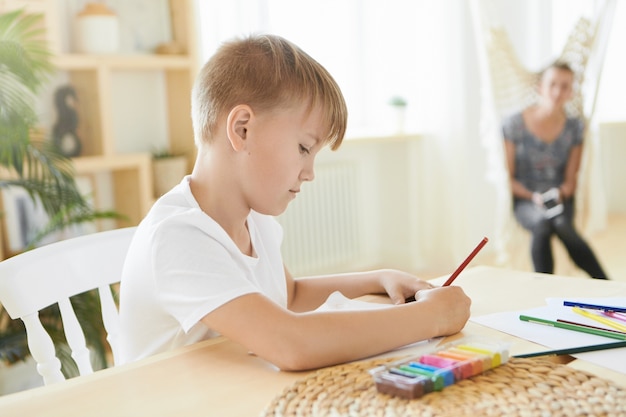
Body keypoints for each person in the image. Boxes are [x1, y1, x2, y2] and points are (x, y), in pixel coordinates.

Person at [118, 34, 471, 371]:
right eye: (303, 148)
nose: (310, 173)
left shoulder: (253, 221)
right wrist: (430, 318)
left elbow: (290, 294)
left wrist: (378, 278)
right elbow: (291, 343)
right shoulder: (178, 236)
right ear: (242, 129)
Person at [502, 60, 608, 279]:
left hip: (560, 199)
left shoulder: (575, 127)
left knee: (561, 224)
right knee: (541, 225)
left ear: (571, 92)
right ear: (540, 87)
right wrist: (534, 196)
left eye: (565, 86)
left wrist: (558, 194)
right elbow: (508, 179)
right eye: (553, 84)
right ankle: (545, 289)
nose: (558, 91)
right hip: (526, 200)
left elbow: (571, 181)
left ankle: (607, 285)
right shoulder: (513, 124)